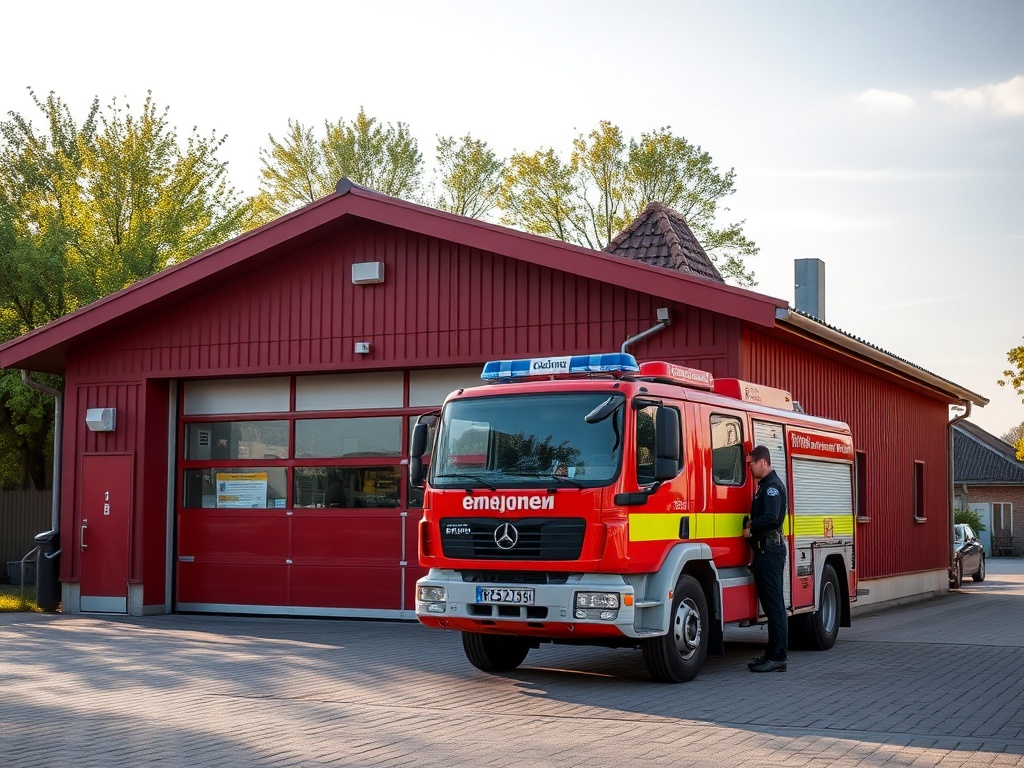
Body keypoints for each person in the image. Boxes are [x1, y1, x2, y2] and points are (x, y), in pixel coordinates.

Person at [743, 444, 789, 673]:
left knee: (774, 606)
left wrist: (751, 525)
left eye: (751, 463)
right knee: (773, 605)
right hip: (766, 550)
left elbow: (771, 517)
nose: (749, 468)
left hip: (770, 550)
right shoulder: (766, 486)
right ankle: (774, 654)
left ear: (763, 462)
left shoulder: (771, 487)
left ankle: (777, 656)